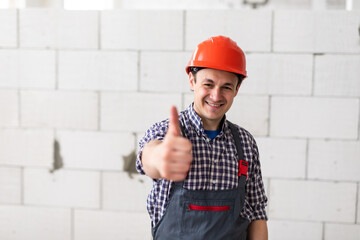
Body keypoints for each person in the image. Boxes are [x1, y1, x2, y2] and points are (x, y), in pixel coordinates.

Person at [136, 35, 268, 240]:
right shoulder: (167, 131)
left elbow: (257, 211)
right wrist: (161, 158)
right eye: (208, 84)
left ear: (237, 89)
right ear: (192, 80)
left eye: (226, 87)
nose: (216, 96)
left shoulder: (245, 143)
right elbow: (149, 158)